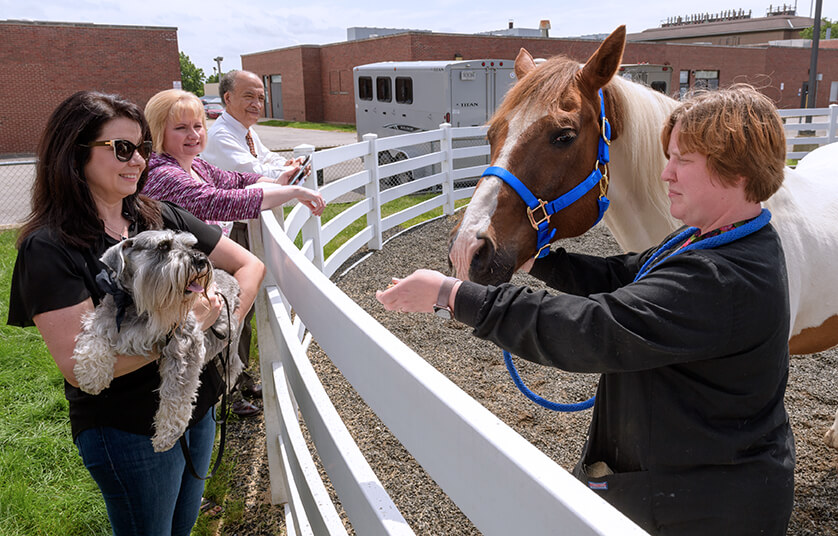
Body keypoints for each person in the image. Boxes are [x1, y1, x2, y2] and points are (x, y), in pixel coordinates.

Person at [375, 85, 794, 535]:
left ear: (737, 172)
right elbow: (628, 276)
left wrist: (452, 296)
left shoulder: (721, 277)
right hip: (691, 480)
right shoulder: (720, 238)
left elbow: (594, 331)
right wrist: (542, 259)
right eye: (668, 157)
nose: (666, 173)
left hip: (705, 509)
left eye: (683, 161)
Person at [7, 90, 266, 535]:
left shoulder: (158, 216)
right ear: (75, 153)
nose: (139, 161)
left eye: (143, 148)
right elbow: (80, 368)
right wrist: (188, 326)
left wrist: (223, 317)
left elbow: (248, 264)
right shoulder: (50, 248)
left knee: (181, 529)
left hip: (196, 408)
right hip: (126, 430)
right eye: (121, 148)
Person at [142, 88, 325, 417]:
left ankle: (219, 392)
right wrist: (291, 191)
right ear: (158, 131)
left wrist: (278, 179)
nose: (193, 134)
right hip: (173, 285)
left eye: (198, 126)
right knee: (192, 351)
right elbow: (217, 201)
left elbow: (236, 180)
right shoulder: (164, 174)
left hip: (198, 273)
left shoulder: (194, 165)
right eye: (180, 128)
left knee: (211, 340)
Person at [201, 69, 295, 179]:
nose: (257, 105)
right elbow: (251, 173)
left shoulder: (245, 130)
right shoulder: (221, 136)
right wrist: (292, 170)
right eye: (249, 96)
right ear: (228, 98)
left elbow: (266, 157)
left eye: (261, 98)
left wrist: (286, 164)